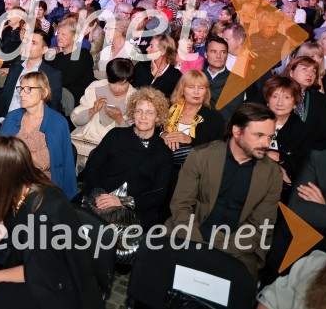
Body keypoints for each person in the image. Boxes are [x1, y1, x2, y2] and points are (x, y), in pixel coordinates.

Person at [0, 136, 103, 309]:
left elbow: (41, 270)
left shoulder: (44, 208)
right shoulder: (16, 186)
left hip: (53, 282)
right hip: (27, 263)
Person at [166, 103, 283, 278]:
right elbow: (181, 206)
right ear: (237, 131)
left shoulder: (272, 174)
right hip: (191, 234)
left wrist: (219, 251)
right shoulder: (202, 156)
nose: (266, 143)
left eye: (270, 137)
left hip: (238, 249)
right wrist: (197, 246)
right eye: (259, 135)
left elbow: (260, 226)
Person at [80, 87, 172, 228]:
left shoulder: (163, 153)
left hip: (134, 209)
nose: (143, 117)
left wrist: (122, 201)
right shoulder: (116, 136)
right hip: (99, 197)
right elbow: (93, 166)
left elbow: (158, 195)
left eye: (149, 112)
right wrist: (99, 194)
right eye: (139, 111)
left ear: (158, 117)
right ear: (132, 113)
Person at [0, 71, 77, 196]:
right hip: (9, 183)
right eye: (21, 88)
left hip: (42, 189)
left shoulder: (58, 123)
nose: (21, 93)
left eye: (28, 89)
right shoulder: (12, 117)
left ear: (44, 93)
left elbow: (59, 163)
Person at [69, 58, 136, 170]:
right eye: (113, 83)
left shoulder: (135, 98)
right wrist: (92, 110)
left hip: (114, 148)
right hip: (86, 139)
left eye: (122, 84)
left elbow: (132, 138)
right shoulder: (96, 88)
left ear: (130, 80)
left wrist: (119, 119)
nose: (117, 88)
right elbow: (75, 119)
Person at [159, 71, 225, 167]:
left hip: (196, 172)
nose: (196, 92)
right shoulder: (167, 110)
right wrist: (162, 134)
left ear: (206, 91)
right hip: (163, 168)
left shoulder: (215, 119)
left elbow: (216, 151)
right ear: (182, 90)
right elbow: (150, 130)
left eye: (201, 88)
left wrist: (191, 140)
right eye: (191, 87)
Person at [0, 29, 64, 116]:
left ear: (44, 49)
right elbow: (5, 96)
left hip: (33, 124)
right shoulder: (15, 68)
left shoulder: (52, 75)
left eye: (33, 43)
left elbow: (53, 108)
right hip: (7, 118)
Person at [281, 55, 326, 150]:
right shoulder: (274, 93)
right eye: (304, 69)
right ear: (291, 72)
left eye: (313, 71)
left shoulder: (322, 100)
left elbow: (324, 131)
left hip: (308, 152)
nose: (310, 74)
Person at [49, 19, 94, 106]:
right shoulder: (57, 56)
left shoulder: (83, 55)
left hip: (77, 101)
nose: (59, 37)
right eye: (58, 33)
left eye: (63, 34)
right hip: (58, 97)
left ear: (74, 37)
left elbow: (65, 79)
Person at [132, 34, 182, 99]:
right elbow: (135, 92)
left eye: (151, 46)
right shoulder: (141, 66)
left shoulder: (175, 76)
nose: (147, 49)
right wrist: (152, 74)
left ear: (163, 52)